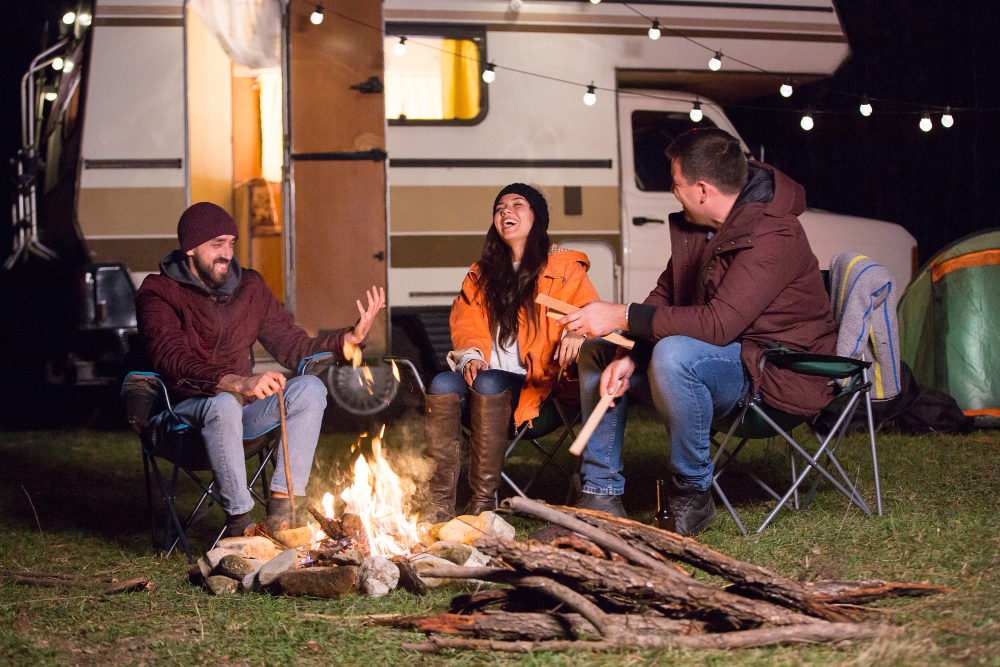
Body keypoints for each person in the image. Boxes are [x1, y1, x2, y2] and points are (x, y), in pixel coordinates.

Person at [558, 128, 837, 536]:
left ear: (703, 189)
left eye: (676, 185)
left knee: (674, 355)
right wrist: (630, 351)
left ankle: (692, 492)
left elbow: (718, 324)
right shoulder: (704, 225)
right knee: (600, 349)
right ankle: (601, 492)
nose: (673, 192)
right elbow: (668, 293)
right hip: (725, 354)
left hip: (772, 368)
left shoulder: (774, 234)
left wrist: (620, 314)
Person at [135, 202, 384, 536]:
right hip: (182, 416)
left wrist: (348, 339)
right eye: (216, 245)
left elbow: (293, 345)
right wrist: (238, 382)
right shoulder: (159, 292)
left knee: (310, 389)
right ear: (190, 248)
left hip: (243, 420)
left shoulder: (249, 288)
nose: (226, 253)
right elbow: (171, 358)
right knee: (223, 402)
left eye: (231, 243)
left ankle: (282, 513)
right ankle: (240, 524)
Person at [422, 183, 600, 523]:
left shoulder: (564, 269)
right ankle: (439, 505)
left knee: (487, 383)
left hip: (540, 392)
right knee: (443, 383)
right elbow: (466, 324)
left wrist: (578, 331)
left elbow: (591, 314)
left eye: (518, 205)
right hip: (485, 383)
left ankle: (482, 502)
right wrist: (471, 354)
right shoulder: (480, 275)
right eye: (500, 207)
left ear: (537, 219)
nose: (506, 211)